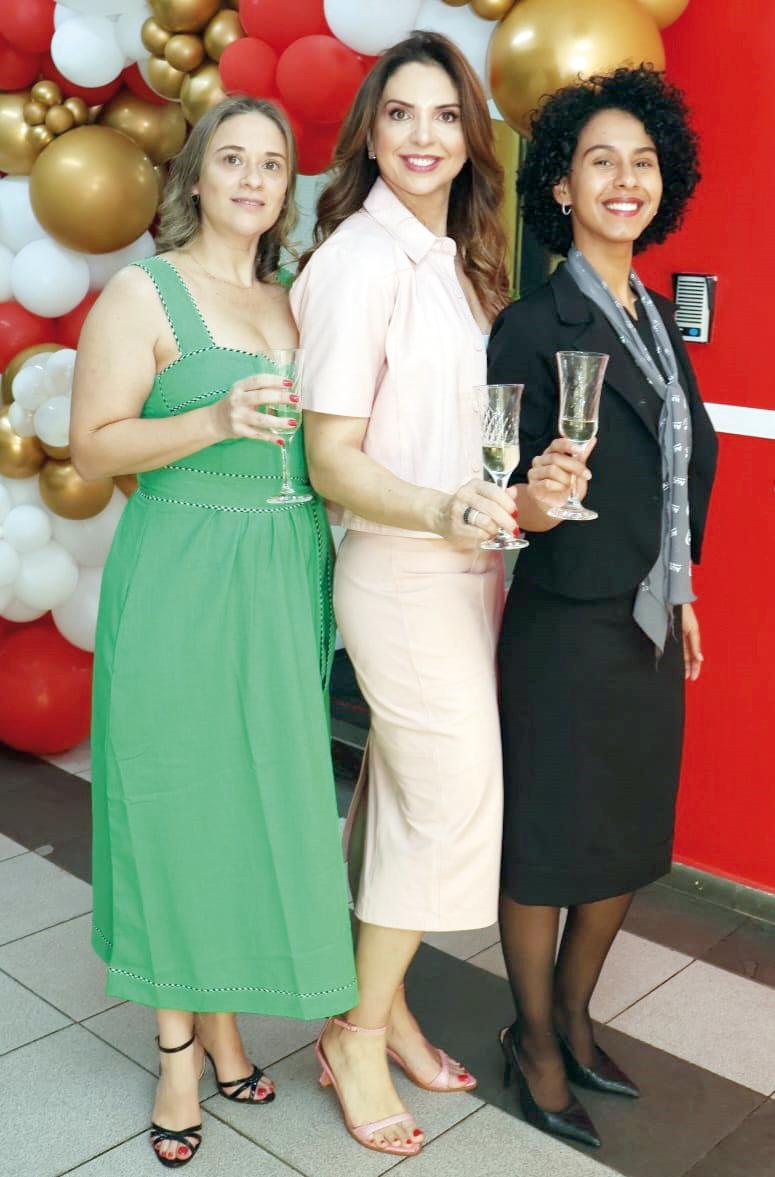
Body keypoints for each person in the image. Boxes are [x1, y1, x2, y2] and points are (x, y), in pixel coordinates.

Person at [70, 96, 357, 1169]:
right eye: (231, 158)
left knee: (249, 804)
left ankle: (228, 1016)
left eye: (272, 164)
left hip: (282, 579)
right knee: (178, 803)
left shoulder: (292, 304)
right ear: (196, 176)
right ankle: (180, 1050)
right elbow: (93, 448)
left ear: (289, 188)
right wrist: (209, 419)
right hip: (184, 577)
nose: (251, 178)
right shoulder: (143, 291)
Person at [290, 30, 513, 1159]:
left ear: (471, 135)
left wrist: (524, 492)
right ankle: (354, 1032)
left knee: (396, 804)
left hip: (465, 569)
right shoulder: (355, 262)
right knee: (449, 802)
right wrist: (434, 510)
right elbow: (333, 457)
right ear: (368, 132)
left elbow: (463, 440)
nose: (422, 137)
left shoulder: (463, 262)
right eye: (399, 115)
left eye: (442, 115)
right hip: (395, 571)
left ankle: (393, 1004)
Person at [488, 66, 718, 1148]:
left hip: (645, 624)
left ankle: (576, 1016)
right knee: (548, 844)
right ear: (563, 189)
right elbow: (502, 490)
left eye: (641, 160)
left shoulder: (658, 320)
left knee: (623, 838)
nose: (625, 179)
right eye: (600, 161)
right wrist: (529, 500)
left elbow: (676, 468)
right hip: (564, 623)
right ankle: (530, 1035)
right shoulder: (532, 324)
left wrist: (684, 586)